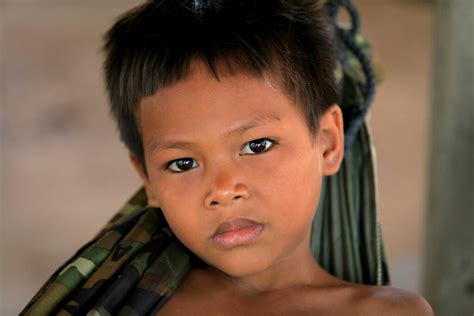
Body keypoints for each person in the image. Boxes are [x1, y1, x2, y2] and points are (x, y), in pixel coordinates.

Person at [21, 0, 434, 315]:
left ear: (327, 142)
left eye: (257, 145)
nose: (222, 190)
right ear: (148, 181)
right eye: (182, 163)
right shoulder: (123, 306)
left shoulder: (387, 312)